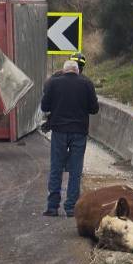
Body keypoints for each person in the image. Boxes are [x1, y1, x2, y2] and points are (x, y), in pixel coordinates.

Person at [41, 60, 99, 217]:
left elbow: (44, 107)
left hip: (59, 131)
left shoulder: (53, 83)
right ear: (77, 71)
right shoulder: (87, 83)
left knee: (56, 168)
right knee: (75, 170)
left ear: (64, 70)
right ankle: (71, 208)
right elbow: (94, 109)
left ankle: (52, 207)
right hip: (79, 132)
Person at [41, 52, 87, 133]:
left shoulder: (56, 76)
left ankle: (50, 123)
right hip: (78, 126)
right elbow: (93, 107)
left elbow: (46, 91)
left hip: (58, 123)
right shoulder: (86, 81)